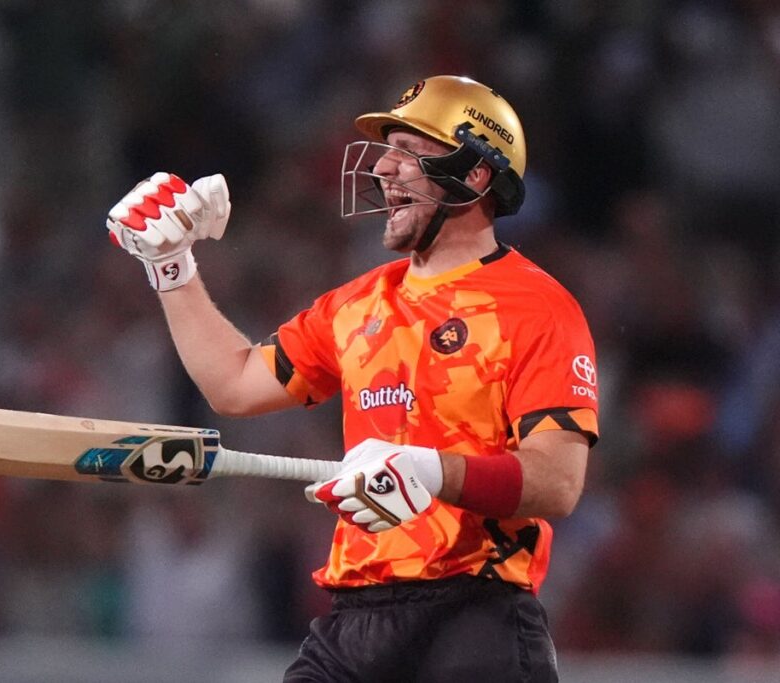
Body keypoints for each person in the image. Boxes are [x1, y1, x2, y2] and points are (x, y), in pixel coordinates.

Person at [106, 75, 599, 682]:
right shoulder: (355, 305)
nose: (383, 168)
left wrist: (431, 470)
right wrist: (172, 267)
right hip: (355, 621)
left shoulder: (538, 307)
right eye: (386, 151)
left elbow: (558, 481)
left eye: (408, 152)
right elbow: (233, 385)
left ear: (475, 174)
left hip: (477, 615)